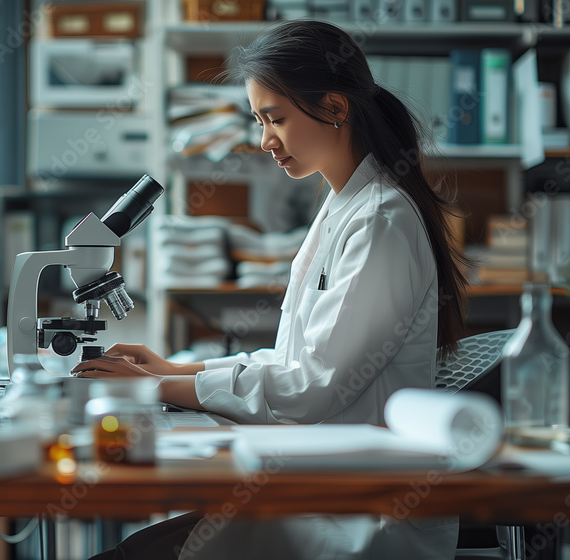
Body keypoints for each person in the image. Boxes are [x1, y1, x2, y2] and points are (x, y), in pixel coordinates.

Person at [74, 19, 469, 560]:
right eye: (259, 121)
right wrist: (171, 370)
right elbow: (295, 360)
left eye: (275, 119)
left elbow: (310, 386)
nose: (265, 142)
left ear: (335, 107)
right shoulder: (345, 206)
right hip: (318, 479)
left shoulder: (379, 219)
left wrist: (153, 389)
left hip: (358, 511)